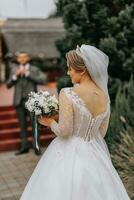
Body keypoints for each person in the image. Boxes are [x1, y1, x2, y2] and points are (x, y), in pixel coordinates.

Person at [20, 45, 130, 200]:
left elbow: (64, 132)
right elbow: (101, 133)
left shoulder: (68, 93)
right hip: (94, 154)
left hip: (68, 154)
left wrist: (50, 121)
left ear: (82, 70)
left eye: (70, 68)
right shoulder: (104, 97)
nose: (68, 72)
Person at [7, 51, 47, 155]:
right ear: (18, 59)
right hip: (19, 101)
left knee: (35, 125)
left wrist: (28, 74)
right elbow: (8, 85)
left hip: (32, 101)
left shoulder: (34, 69)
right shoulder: (14, 70)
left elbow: (43, 80)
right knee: (22, 125)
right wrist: (15, 76)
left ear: (28, 58)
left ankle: (36, 147)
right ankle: (24, 147)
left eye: (24, 57)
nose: (22, 59)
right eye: (20, 58)